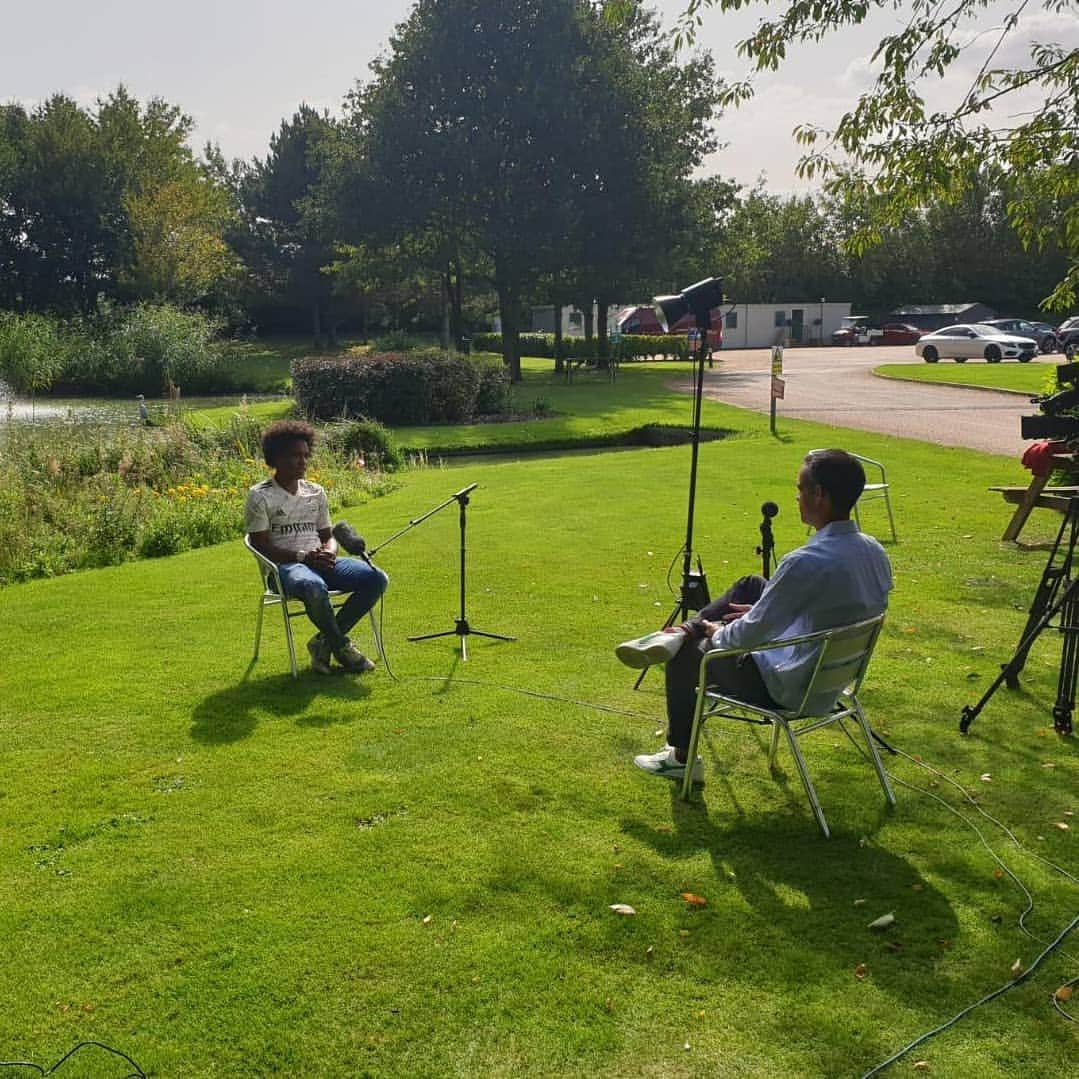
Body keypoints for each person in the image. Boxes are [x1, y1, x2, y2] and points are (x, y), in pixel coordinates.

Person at [617, 449, 893, 783]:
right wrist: (763, 613)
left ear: (819, 495)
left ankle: (680, 756)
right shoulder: (874, 552)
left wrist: (712, 631)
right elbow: (834, 611)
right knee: (752, 585)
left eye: (801, 488)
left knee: (687, 655)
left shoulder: (805, 561)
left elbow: (748, 636)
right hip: (832, 678)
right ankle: (681, 631)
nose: (796, 496)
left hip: (788, 684)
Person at [245, 420, 388, 674]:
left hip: (321, 562)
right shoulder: (260, 495)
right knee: (313, 586)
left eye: (305, 455)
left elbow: (328, 534)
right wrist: (303, 556)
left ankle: (323, 642)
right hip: (285, 569)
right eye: (294, 456)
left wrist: (329, 552)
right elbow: (261, 545)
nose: (302, 462)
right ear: (276, 458)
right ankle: (342, 647)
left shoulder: (316, 491)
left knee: (377, 578)